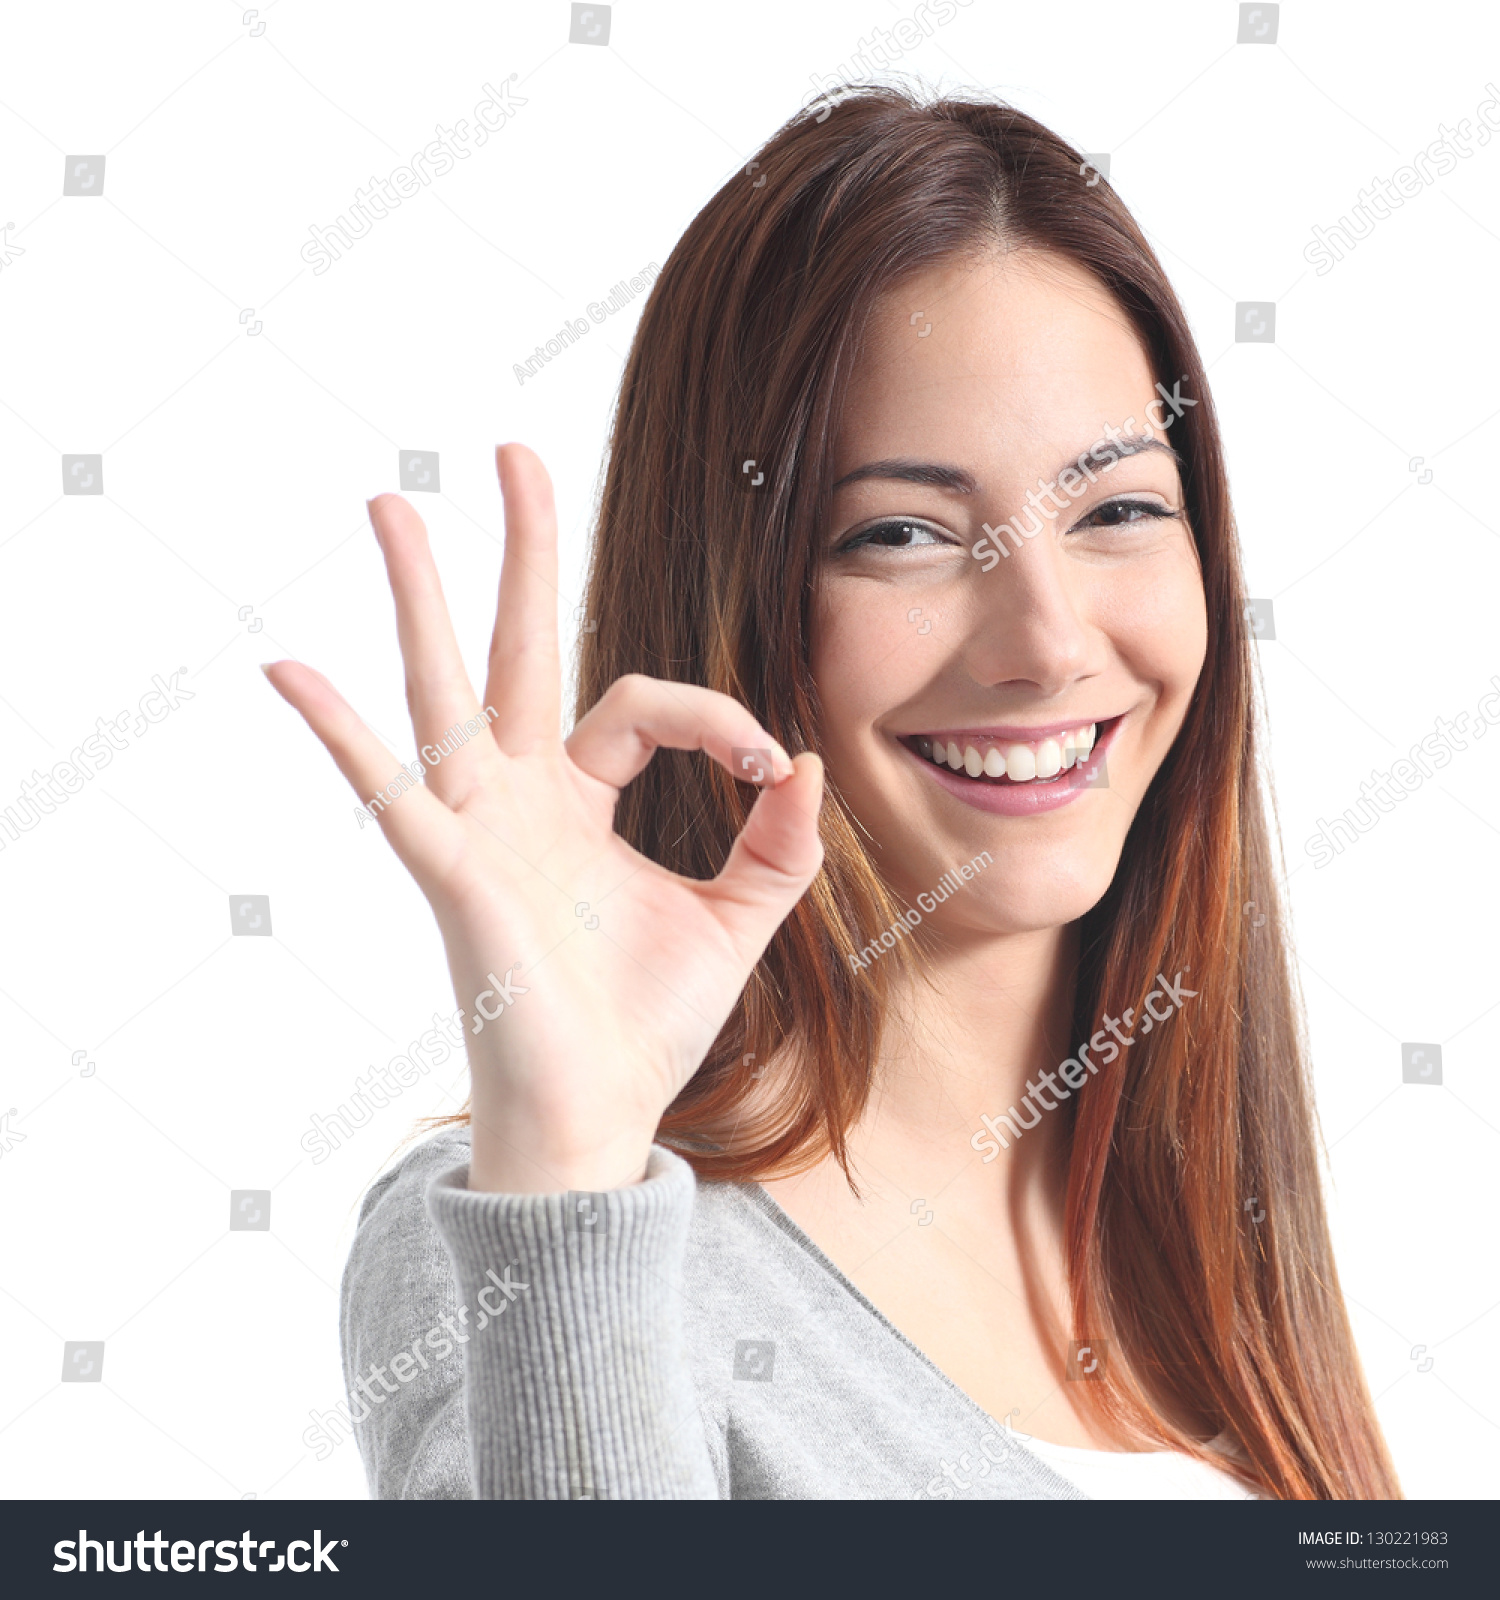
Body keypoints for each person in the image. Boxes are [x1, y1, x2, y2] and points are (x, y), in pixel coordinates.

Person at [265, 84, 1400, 1500]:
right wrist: (564, 1169)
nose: (1047, 640)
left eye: (1116, 510)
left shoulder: (1205, 1254)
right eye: (905, 533)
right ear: (735, 602)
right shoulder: (523, 1229)